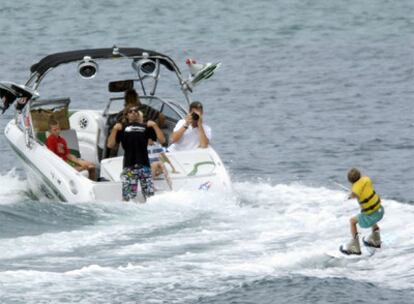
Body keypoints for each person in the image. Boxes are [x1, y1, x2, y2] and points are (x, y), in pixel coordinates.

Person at [107, 105, 164, 202]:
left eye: (136, 111)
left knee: (150, 197)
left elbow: (162, 140)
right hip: (129, 166)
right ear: (126, 115)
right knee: (127, 198)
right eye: (131, 111)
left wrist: (155, 125)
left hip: (144, 166)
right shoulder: (122, 128)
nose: (134, 112)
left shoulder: (146, 126)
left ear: (139, 114)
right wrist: (114, 130)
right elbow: (110, 145)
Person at [340, 168, 385, 255]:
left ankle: (355, 247)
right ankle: (375, 239)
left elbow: (354, 194)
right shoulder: (366, 180)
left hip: (371, 216)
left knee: (352, 221)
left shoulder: (355, 189)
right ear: (360, 175)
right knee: (365, 211)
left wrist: (350, 195)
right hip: (380, 211)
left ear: (350, 180)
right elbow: (361, 190)